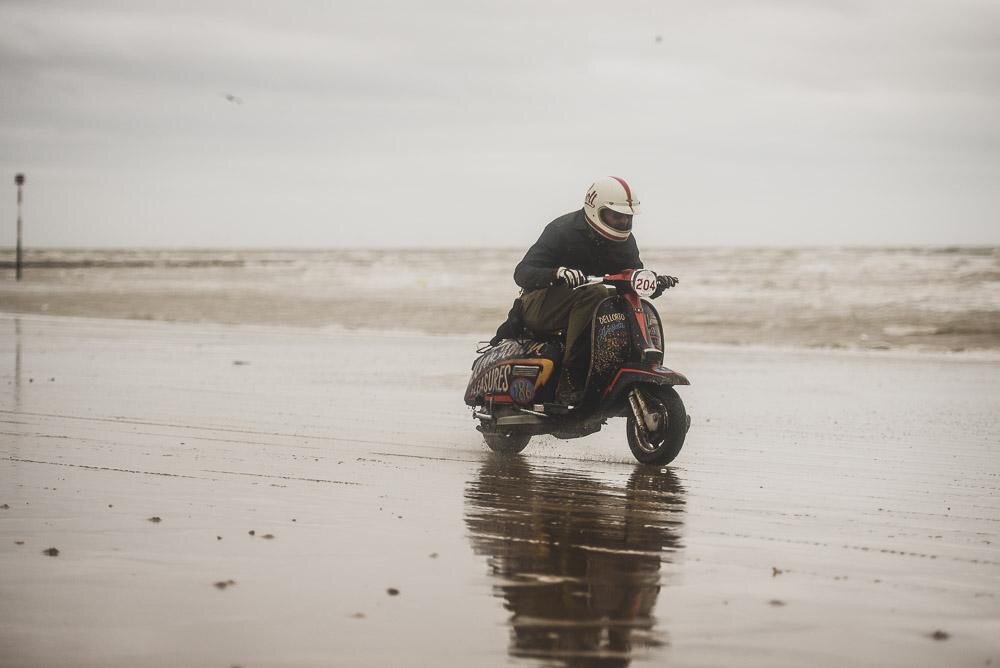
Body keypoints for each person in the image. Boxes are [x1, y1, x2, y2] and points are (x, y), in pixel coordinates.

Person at [513, 176, 677, 405]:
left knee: (615, 298)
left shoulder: (626, 241)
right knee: (598, 293)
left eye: (627, 217)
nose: (622, 222)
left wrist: (654, 283)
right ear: (595, 209)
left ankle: (620, 369)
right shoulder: (562, 230)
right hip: (537, 305)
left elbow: (631, 279)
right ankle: (572, 379)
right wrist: (556, 273)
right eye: (616, 216)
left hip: (584, 304)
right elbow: (522, 273)